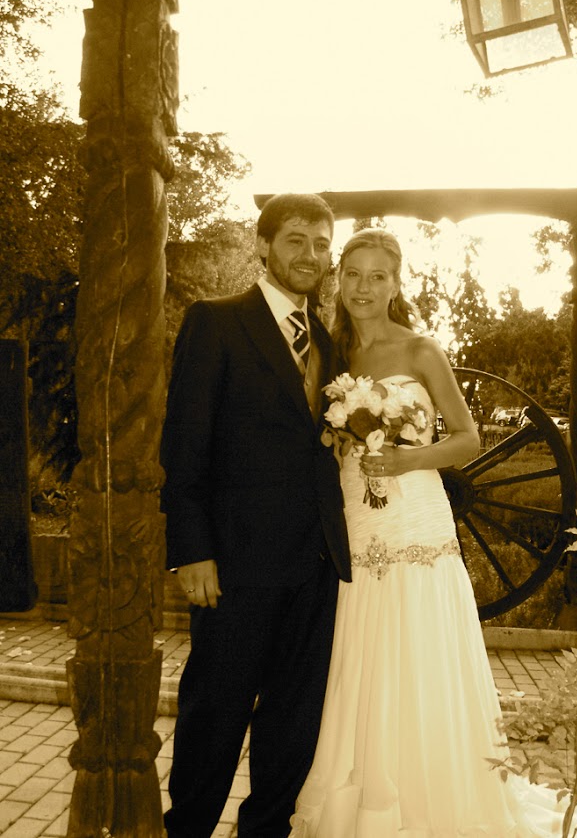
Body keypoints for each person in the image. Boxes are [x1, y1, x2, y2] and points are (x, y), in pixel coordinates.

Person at [290, 228, 577, 837]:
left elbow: (468, 438)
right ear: (339, 280)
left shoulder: (421, 350)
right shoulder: (332, 355)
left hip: (415, 513)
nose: (363, 288)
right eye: (353, 274)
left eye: (378, 276)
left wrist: (408, 460)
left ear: (396, 283)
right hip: (358, 518)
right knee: (365, 640)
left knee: (419, 640)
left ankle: (432, 798)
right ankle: (363, 787)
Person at [160, 193, 352, 838]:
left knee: (294, 722)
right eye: (296, 240)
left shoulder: (329, 343)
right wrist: (192, 551)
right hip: (236, 564)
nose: (311, 255)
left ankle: (265, 831)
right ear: (263, 244)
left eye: (321, 244)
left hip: (316, 564)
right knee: (215, 713)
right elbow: (184, 443)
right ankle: (188, 829)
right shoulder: (216, 322)